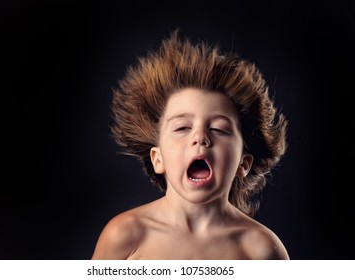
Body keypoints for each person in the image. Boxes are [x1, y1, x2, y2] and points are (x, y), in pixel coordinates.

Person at [92, 30, 289, 260]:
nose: (200, 137)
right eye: (182, 128)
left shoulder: (261, 250)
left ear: (243, 164)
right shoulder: (125, 236)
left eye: (218, 129)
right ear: (158, 159)